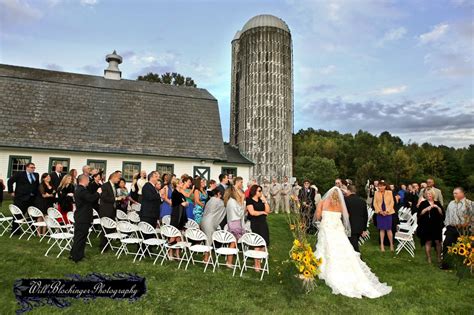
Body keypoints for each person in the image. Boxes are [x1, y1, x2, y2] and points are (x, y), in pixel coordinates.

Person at [314, 186, 391, 298]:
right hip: (337, 229)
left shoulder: (322, 202)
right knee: (342, 249)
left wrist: (325, 217)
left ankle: (323, 267)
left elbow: (318, 216)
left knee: (326, 247)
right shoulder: (341, 204)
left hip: (326, 229)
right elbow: (347, 216)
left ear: (329, 194)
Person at [70, 174, 101, 262]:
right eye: (87, 180)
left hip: (82, 216)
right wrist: (98, 192)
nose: (88, 182)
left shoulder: (80, 189)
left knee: (80, 237)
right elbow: (91, 198)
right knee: (80, 237)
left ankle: (75, 254)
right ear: (83, 180)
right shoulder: (81, 190)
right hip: (82, 217)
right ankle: (77, 257)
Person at [441, 187, 473, 269]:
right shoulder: (451, 203)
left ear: (462, 193)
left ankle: (464, 266)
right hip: (451, 228)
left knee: (464, 247)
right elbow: (447, 215)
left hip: (464, 229)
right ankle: (446, 265)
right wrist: (447, 225)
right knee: (447, 245)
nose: (454, 194)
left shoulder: (469, 204)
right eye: (453, 193)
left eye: (456, 193)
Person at [7, 162, 39, 234]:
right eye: (32, 167)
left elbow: (36, 185)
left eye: (34, 167)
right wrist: (11, 191)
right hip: (21, 198)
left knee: (33, 215)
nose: (33, 169)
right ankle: (15, 230)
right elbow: (10, 181)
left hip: (32, 198)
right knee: (18, 214)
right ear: (27, 167)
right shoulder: (19, 174)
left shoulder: (36, 175)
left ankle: (33, 230)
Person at [246, 185, 270, 271]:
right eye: (259, 191)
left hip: (263, 223)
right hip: (255, 223)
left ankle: (259, 261)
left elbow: (268, 211)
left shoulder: (261, 200)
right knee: (257, 243)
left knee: (264, 243)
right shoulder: (249, 200)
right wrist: (262, 212)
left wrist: (265, 201)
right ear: (254, 191)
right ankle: (256, 265)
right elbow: (252, 212)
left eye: (261, 191)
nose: (261, 192)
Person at [417, 189, 444, 264]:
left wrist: (437, 208)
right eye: (427, 194)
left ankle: (439, 257)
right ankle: (429, 258)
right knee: (428, 241)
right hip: (426, 225)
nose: (429, 195)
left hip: (436, 225)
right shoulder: (423, 203)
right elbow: (419, 214)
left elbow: (442, 214)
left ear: (433, 195)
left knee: (438, 241)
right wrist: (426, 209)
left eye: (430, 194)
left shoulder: (437, 203)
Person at [224, 177, 245, 266]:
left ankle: (229, 261)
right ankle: (229, 262)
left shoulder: (230, 201)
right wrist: (243, 200)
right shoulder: (233, 202)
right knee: (233, 243)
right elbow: (240, 213)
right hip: (235, 223)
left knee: (232, 242)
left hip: (231, 222)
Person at [99, 172, 122, 251]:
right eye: (118, 178)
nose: (119, 180)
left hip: (112, 209)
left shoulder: (114, 186)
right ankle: (103, 246)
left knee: (111, 228)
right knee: (105, 228)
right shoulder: (105, 185)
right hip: (106, 210)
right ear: (113, 177)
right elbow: (104, 197)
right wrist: (116, 199)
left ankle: (108, 244)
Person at [373, 182, 395, 252]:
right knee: (381, 229)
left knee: (389, 229)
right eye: (379, 186)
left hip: (388, 213)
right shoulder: (376, 193)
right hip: (380, 213)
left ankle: (391, 244)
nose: (380, 187)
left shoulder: (389, 192)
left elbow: (392, 202)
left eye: (381, 186)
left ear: (385, 186)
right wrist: (380, 211)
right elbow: (375, 203)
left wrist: (387, 211)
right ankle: (382, 245)